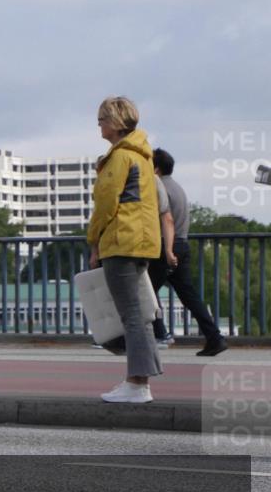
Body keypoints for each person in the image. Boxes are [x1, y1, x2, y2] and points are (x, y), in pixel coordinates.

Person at [87, 97, 162, 403]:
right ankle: (140, 380)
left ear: (116, 123)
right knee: (140, 314)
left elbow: (106, 205)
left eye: (103, 119)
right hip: (142, 241)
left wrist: (93, 240)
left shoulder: (119, 158)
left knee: (131, 315)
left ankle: (136, 383)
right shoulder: (142, 157)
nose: (100, 125)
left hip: (121, 240)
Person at [148, 148, 228, 357]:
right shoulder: (178, 188)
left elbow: (166, 220)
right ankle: (215, 338)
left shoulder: (159, 189)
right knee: (189, 296)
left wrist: (166, 249)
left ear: (155, 168)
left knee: (145, 291)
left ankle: (159, 334)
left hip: (166, 247)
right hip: (182, 245)